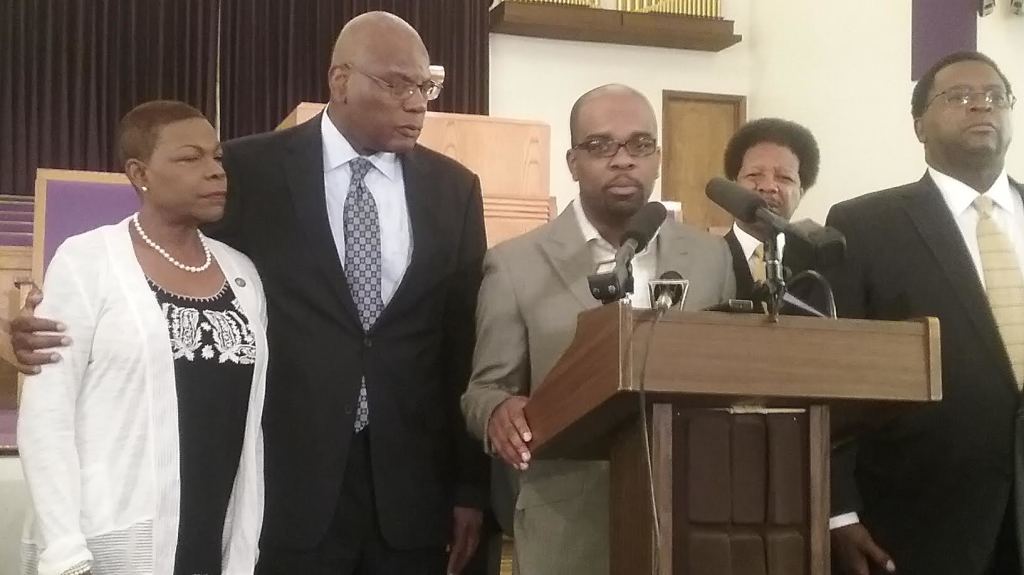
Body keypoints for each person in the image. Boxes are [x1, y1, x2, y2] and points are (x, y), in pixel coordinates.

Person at [13, 11, 487, 575]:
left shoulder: (454, 190)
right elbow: (156, 269)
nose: (417, 102)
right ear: (340, 81)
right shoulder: (245, 169)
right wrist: (30, 327)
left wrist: (470, 487)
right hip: (284, 494)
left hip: (411, 495)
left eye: (425, 86)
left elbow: (464, 344)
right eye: (397, 84)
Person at [460, 84, 735, 574]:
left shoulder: (711, 257)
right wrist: (499, 410)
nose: (623, 160)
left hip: (694, 515)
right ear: (572, 163)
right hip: (567, 522)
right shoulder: (515, 265)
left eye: (639, 145)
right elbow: (483, 389)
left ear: (658, 158)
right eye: (600, 146)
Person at [18, 100, 267, 575]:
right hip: (111, 541)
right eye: (190, 158)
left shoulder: (241, 273)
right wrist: (65, 549)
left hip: (213, 531)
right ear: (140, 173)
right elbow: (46, 415)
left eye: (217, 157)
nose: (215, 172)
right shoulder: (87, 261)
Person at [823, 51, 1022, 575]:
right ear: (919, 125)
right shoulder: (864, 225)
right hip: (918, 518)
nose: (981, 106)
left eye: (995, 96)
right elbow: (836, 378)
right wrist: (838, 511)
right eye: (958, 96)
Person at [721, 118, 820, 300]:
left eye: (784, 177)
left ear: (801, 192)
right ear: (733, 186)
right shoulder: (706, 259)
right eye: (754, 175)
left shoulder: (817, 269)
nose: (768, 186)